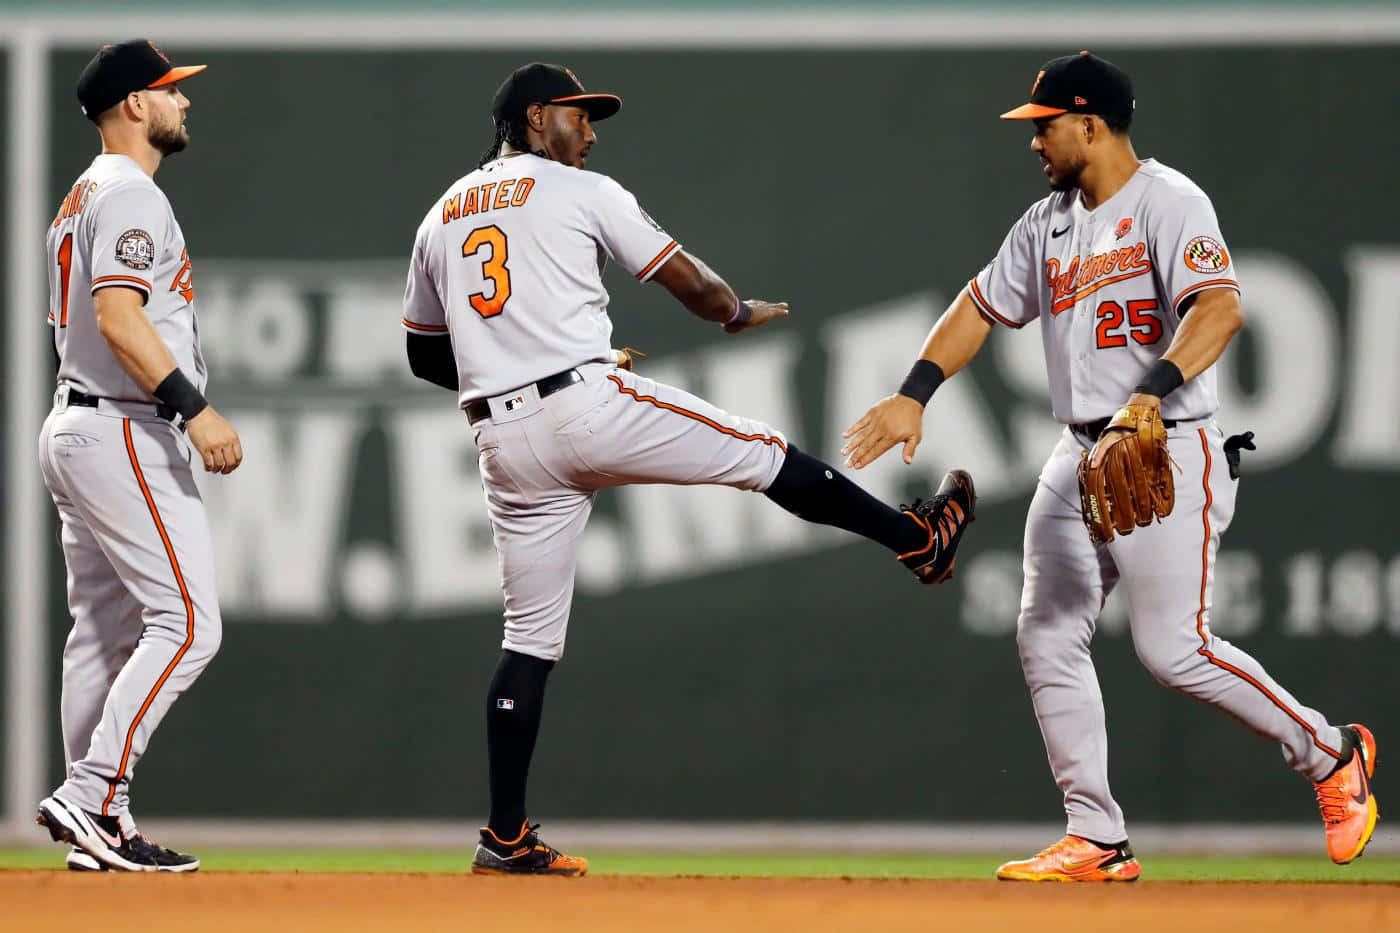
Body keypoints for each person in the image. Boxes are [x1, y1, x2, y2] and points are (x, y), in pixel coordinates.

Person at [402, 62, 977, 876]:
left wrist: (520, 367)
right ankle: (918, 540)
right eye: (578, 116)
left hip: (502, 439)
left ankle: (503, 835)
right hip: (583, 406)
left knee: (527, 640)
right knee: (765, 454)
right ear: (535, 120)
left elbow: (426, 355)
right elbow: (695, 288)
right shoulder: (581, 192)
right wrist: (736, 312)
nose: (591, 132)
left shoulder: (441, 213)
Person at [842, 51, 1376, 881]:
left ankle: (1332, 753)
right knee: (1046, 627)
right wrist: (915, 391)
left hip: (1169, 444)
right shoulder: (1046, 222)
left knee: (1174, 650)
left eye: (1044, 126)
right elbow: (977, 307)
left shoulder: (1169, 200)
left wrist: (1150, 395)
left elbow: (1221, 309)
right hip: (1079, 450)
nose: (1033, 142)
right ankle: (1095, 833)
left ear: (1089, 124)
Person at [34, 40, 243, 873]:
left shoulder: (84, 194)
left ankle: (102, 824)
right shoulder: (128, 193)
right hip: (123, 425)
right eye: (167, 90)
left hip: (77, 423)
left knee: (101, 633)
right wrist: (193, 409)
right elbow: (121, 319)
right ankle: (91, 796)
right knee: (189, 623)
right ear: (132, 105)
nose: (181, 102)